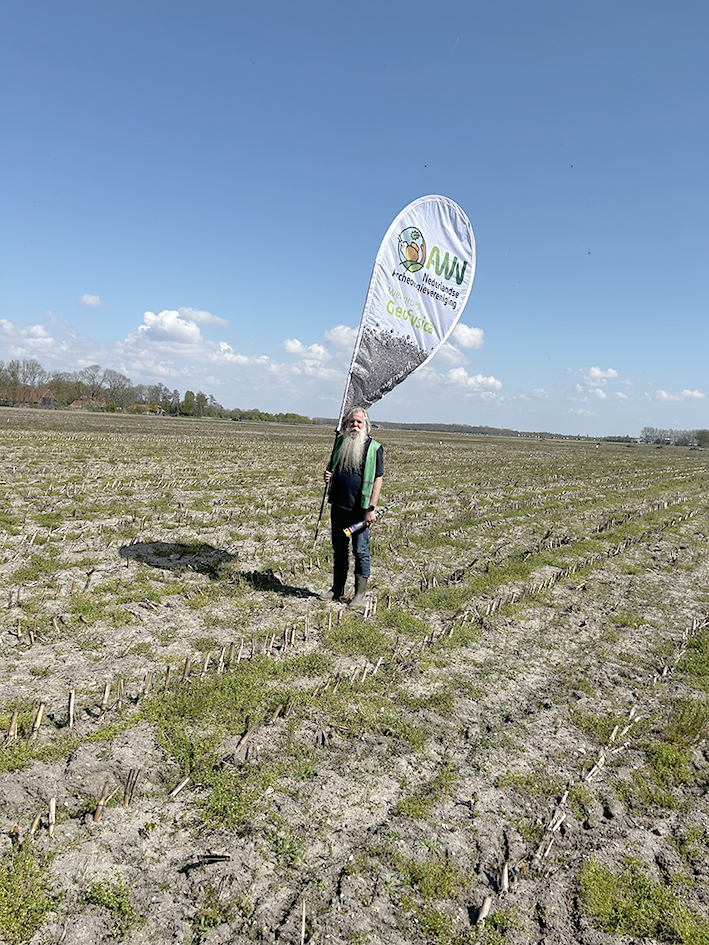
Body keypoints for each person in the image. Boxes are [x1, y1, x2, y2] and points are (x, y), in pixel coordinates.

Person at [321, 406, 383, 608]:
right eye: (351, 422)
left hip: (359, 510)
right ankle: (336, 589)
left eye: (359, 422)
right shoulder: (340, 442)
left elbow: (377, 480)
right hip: (338, 506)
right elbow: (332, 469)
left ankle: (359, 594)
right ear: (347, 424)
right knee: (339, 549)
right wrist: (327, 476)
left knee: (360, 551)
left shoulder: (374, 448)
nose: (355, 425)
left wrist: (371, 509)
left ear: (366, 426)